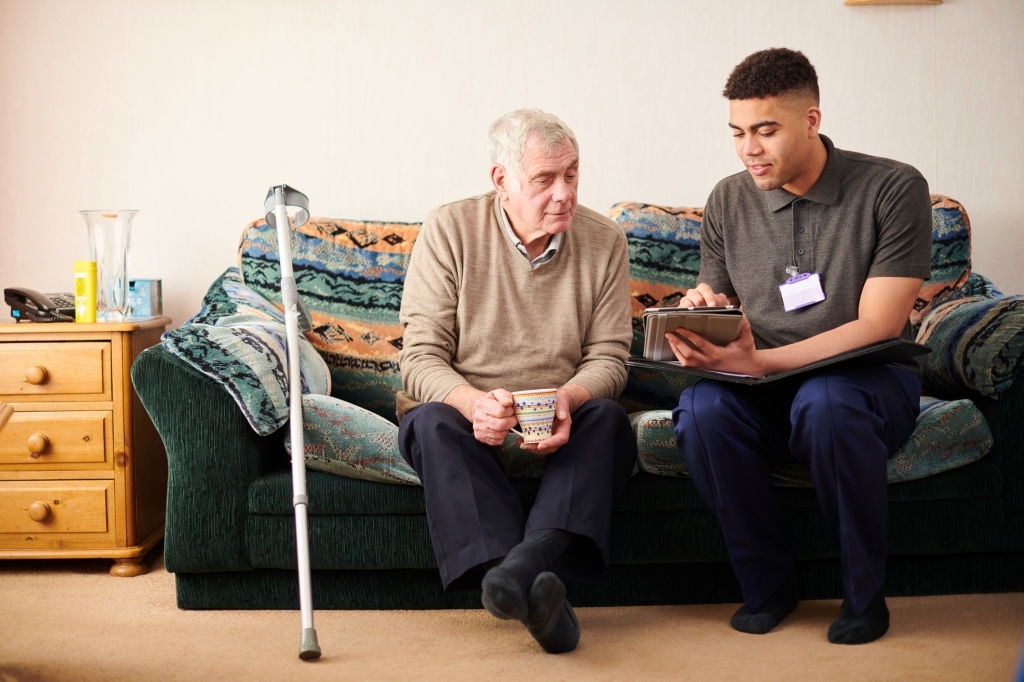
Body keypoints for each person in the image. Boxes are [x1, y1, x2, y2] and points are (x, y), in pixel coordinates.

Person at [668, 48, 932, 645]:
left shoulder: (893, 187)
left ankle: (864, 597)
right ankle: (769, 586)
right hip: (763, 383)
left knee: (826, 402)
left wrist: (761, 362)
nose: (748, 149)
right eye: (737, 132)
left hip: (865, 381)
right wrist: (704, 314)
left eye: (766, 130)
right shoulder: (728, 200)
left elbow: (880, 324)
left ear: (811, 120)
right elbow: (728, 308)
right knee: (701, 412)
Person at [396, 108, 637, 654]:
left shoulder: (604, 241)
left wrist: (569, 397)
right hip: (465, 414)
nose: (564, 194)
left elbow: (610, 359)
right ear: (501, 181)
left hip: (561, 414)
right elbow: (419, 358)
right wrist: (473, 402)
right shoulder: (450, 229)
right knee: (429, 422)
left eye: (571, 174)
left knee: (609, 420)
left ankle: (517, 571)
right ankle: (533, 581)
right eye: (544, 180)